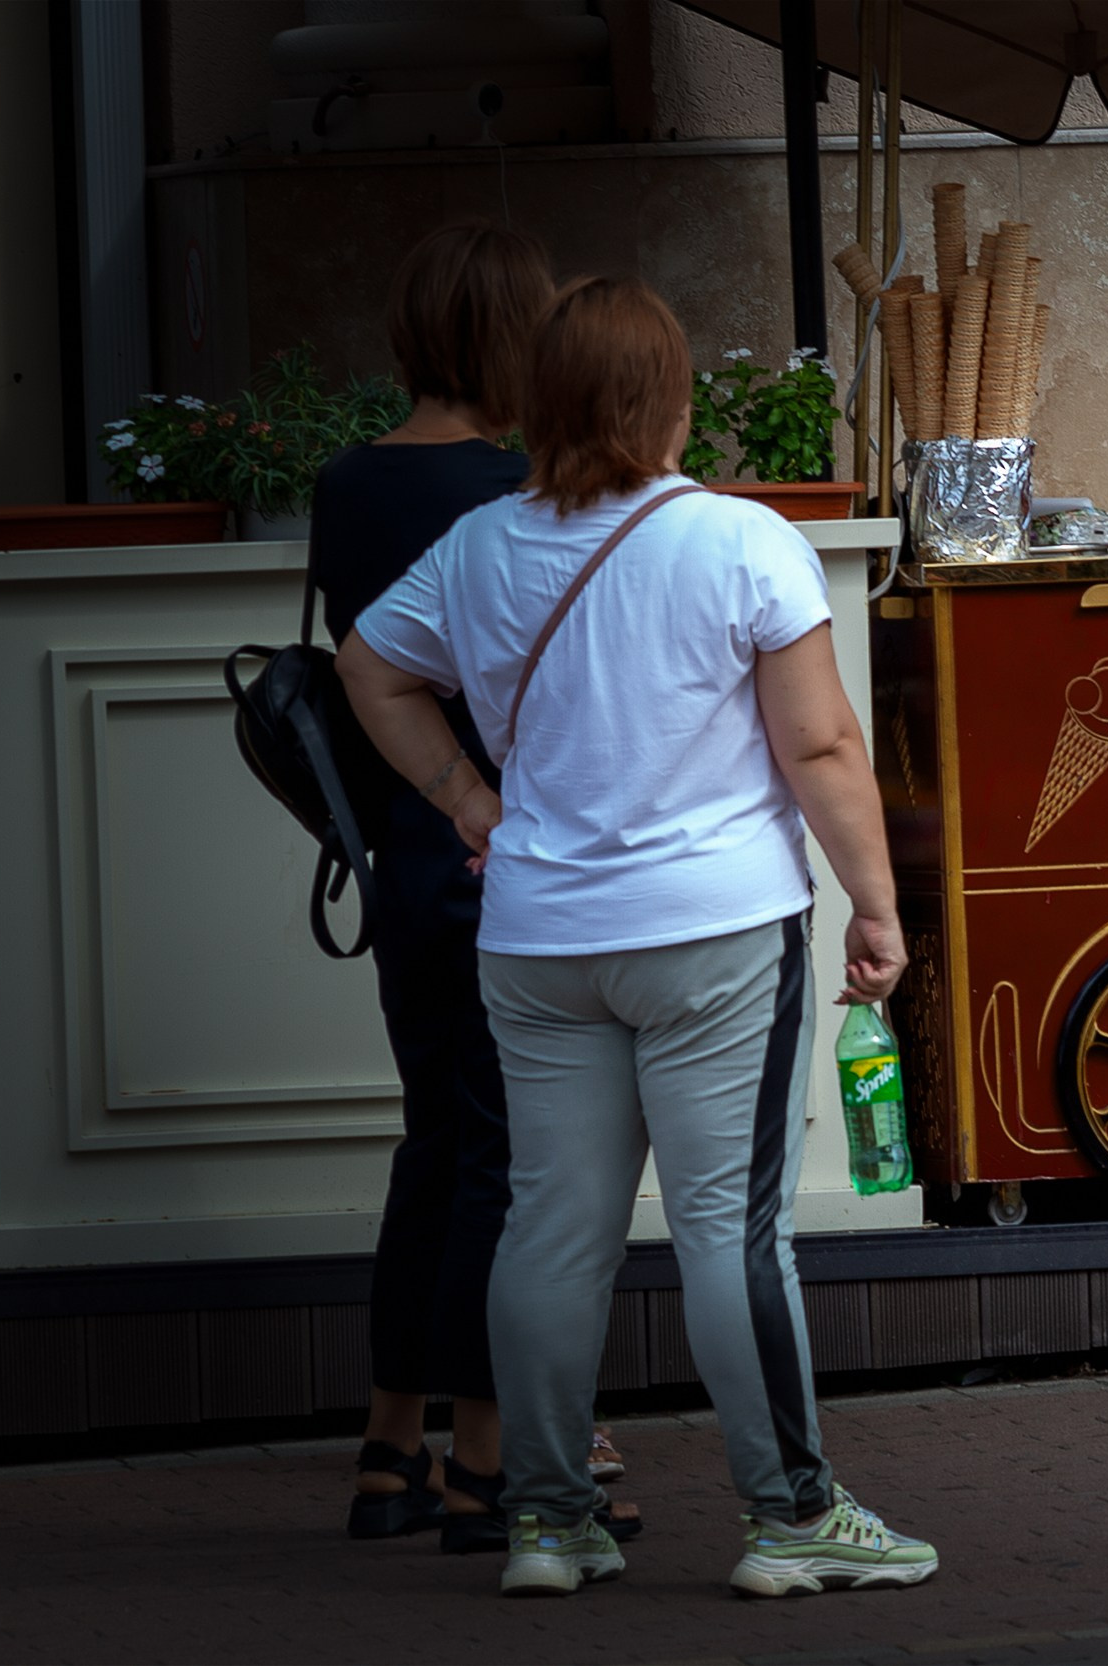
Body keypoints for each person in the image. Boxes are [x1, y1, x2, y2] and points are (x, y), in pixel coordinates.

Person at [337, 275, 936, 1599]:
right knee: (730, 1229)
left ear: (539, 400)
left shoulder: (480, 547)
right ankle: (790, 1515)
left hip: (538, 934)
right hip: (715, 932)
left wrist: (463, 800)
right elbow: (824, 742)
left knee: (552, 1225)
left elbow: (368, 665)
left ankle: (545, 1519)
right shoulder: (739, 540)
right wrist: (878, 907)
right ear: (667, 402)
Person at [317, 220, 641, 1554]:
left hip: (403, 855)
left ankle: (391, 1448)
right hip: (503, 855)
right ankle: (489, 1461)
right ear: (521, 338)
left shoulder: (347, 485)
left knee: (437, 1145)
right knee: (515, 1158)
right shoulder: (523, 492)